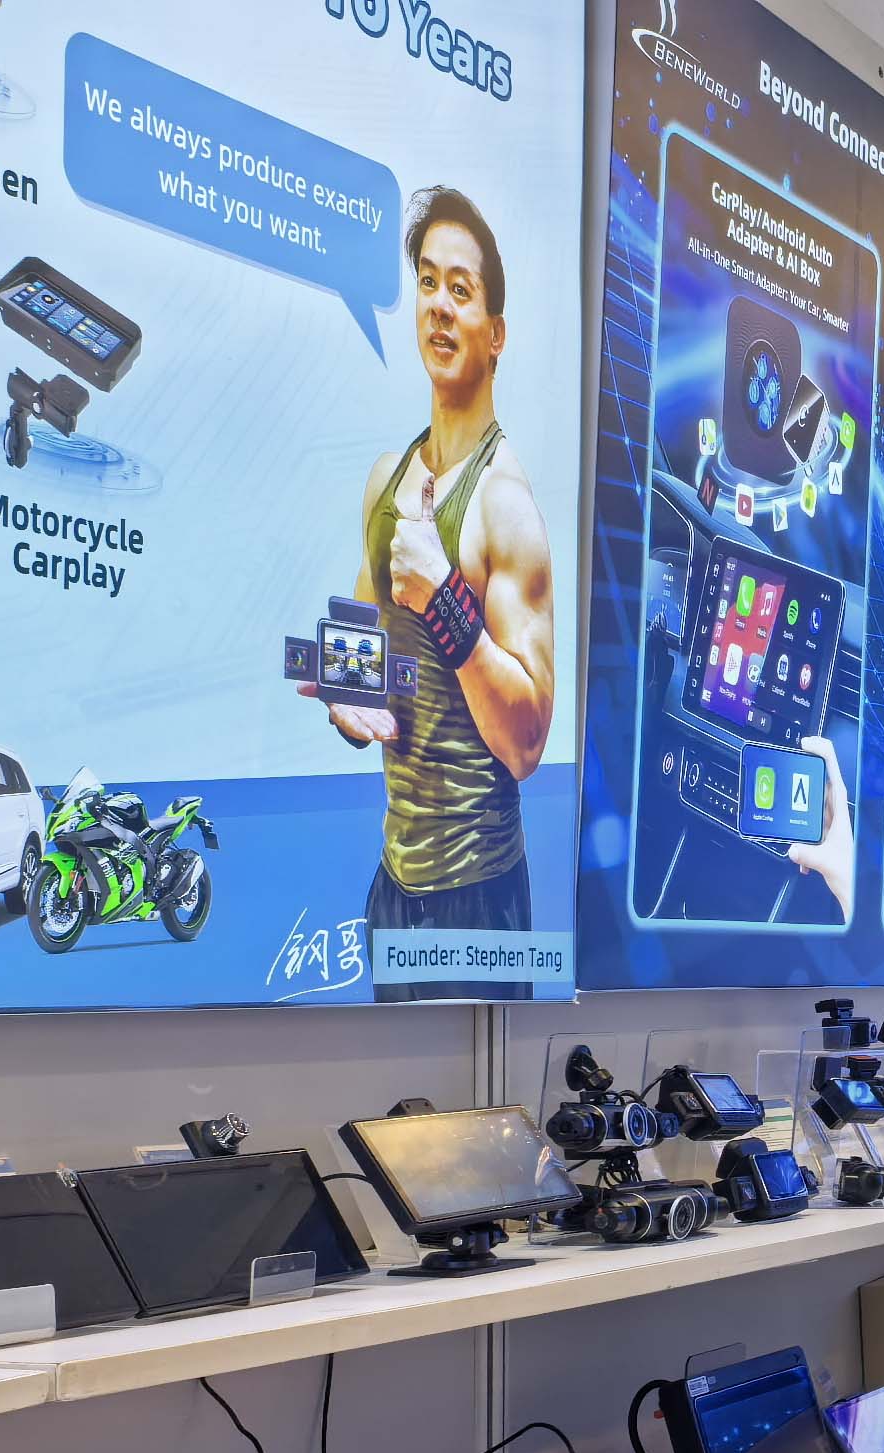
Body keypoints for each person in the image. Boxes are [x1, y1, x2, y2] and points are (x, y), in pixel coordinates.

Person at [312, 186, 559, 1001]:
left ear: (495, 333)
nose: (439, 306)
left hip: (479, 897)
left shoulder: (505, 505)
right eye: (427, 282)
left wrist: (447, 598)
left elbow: (527, 743)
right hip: (395, 883)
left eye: (461, 289)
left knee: (474, 1091)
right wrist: (347, 700)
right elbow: (366, 670)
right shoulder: (386, 481)